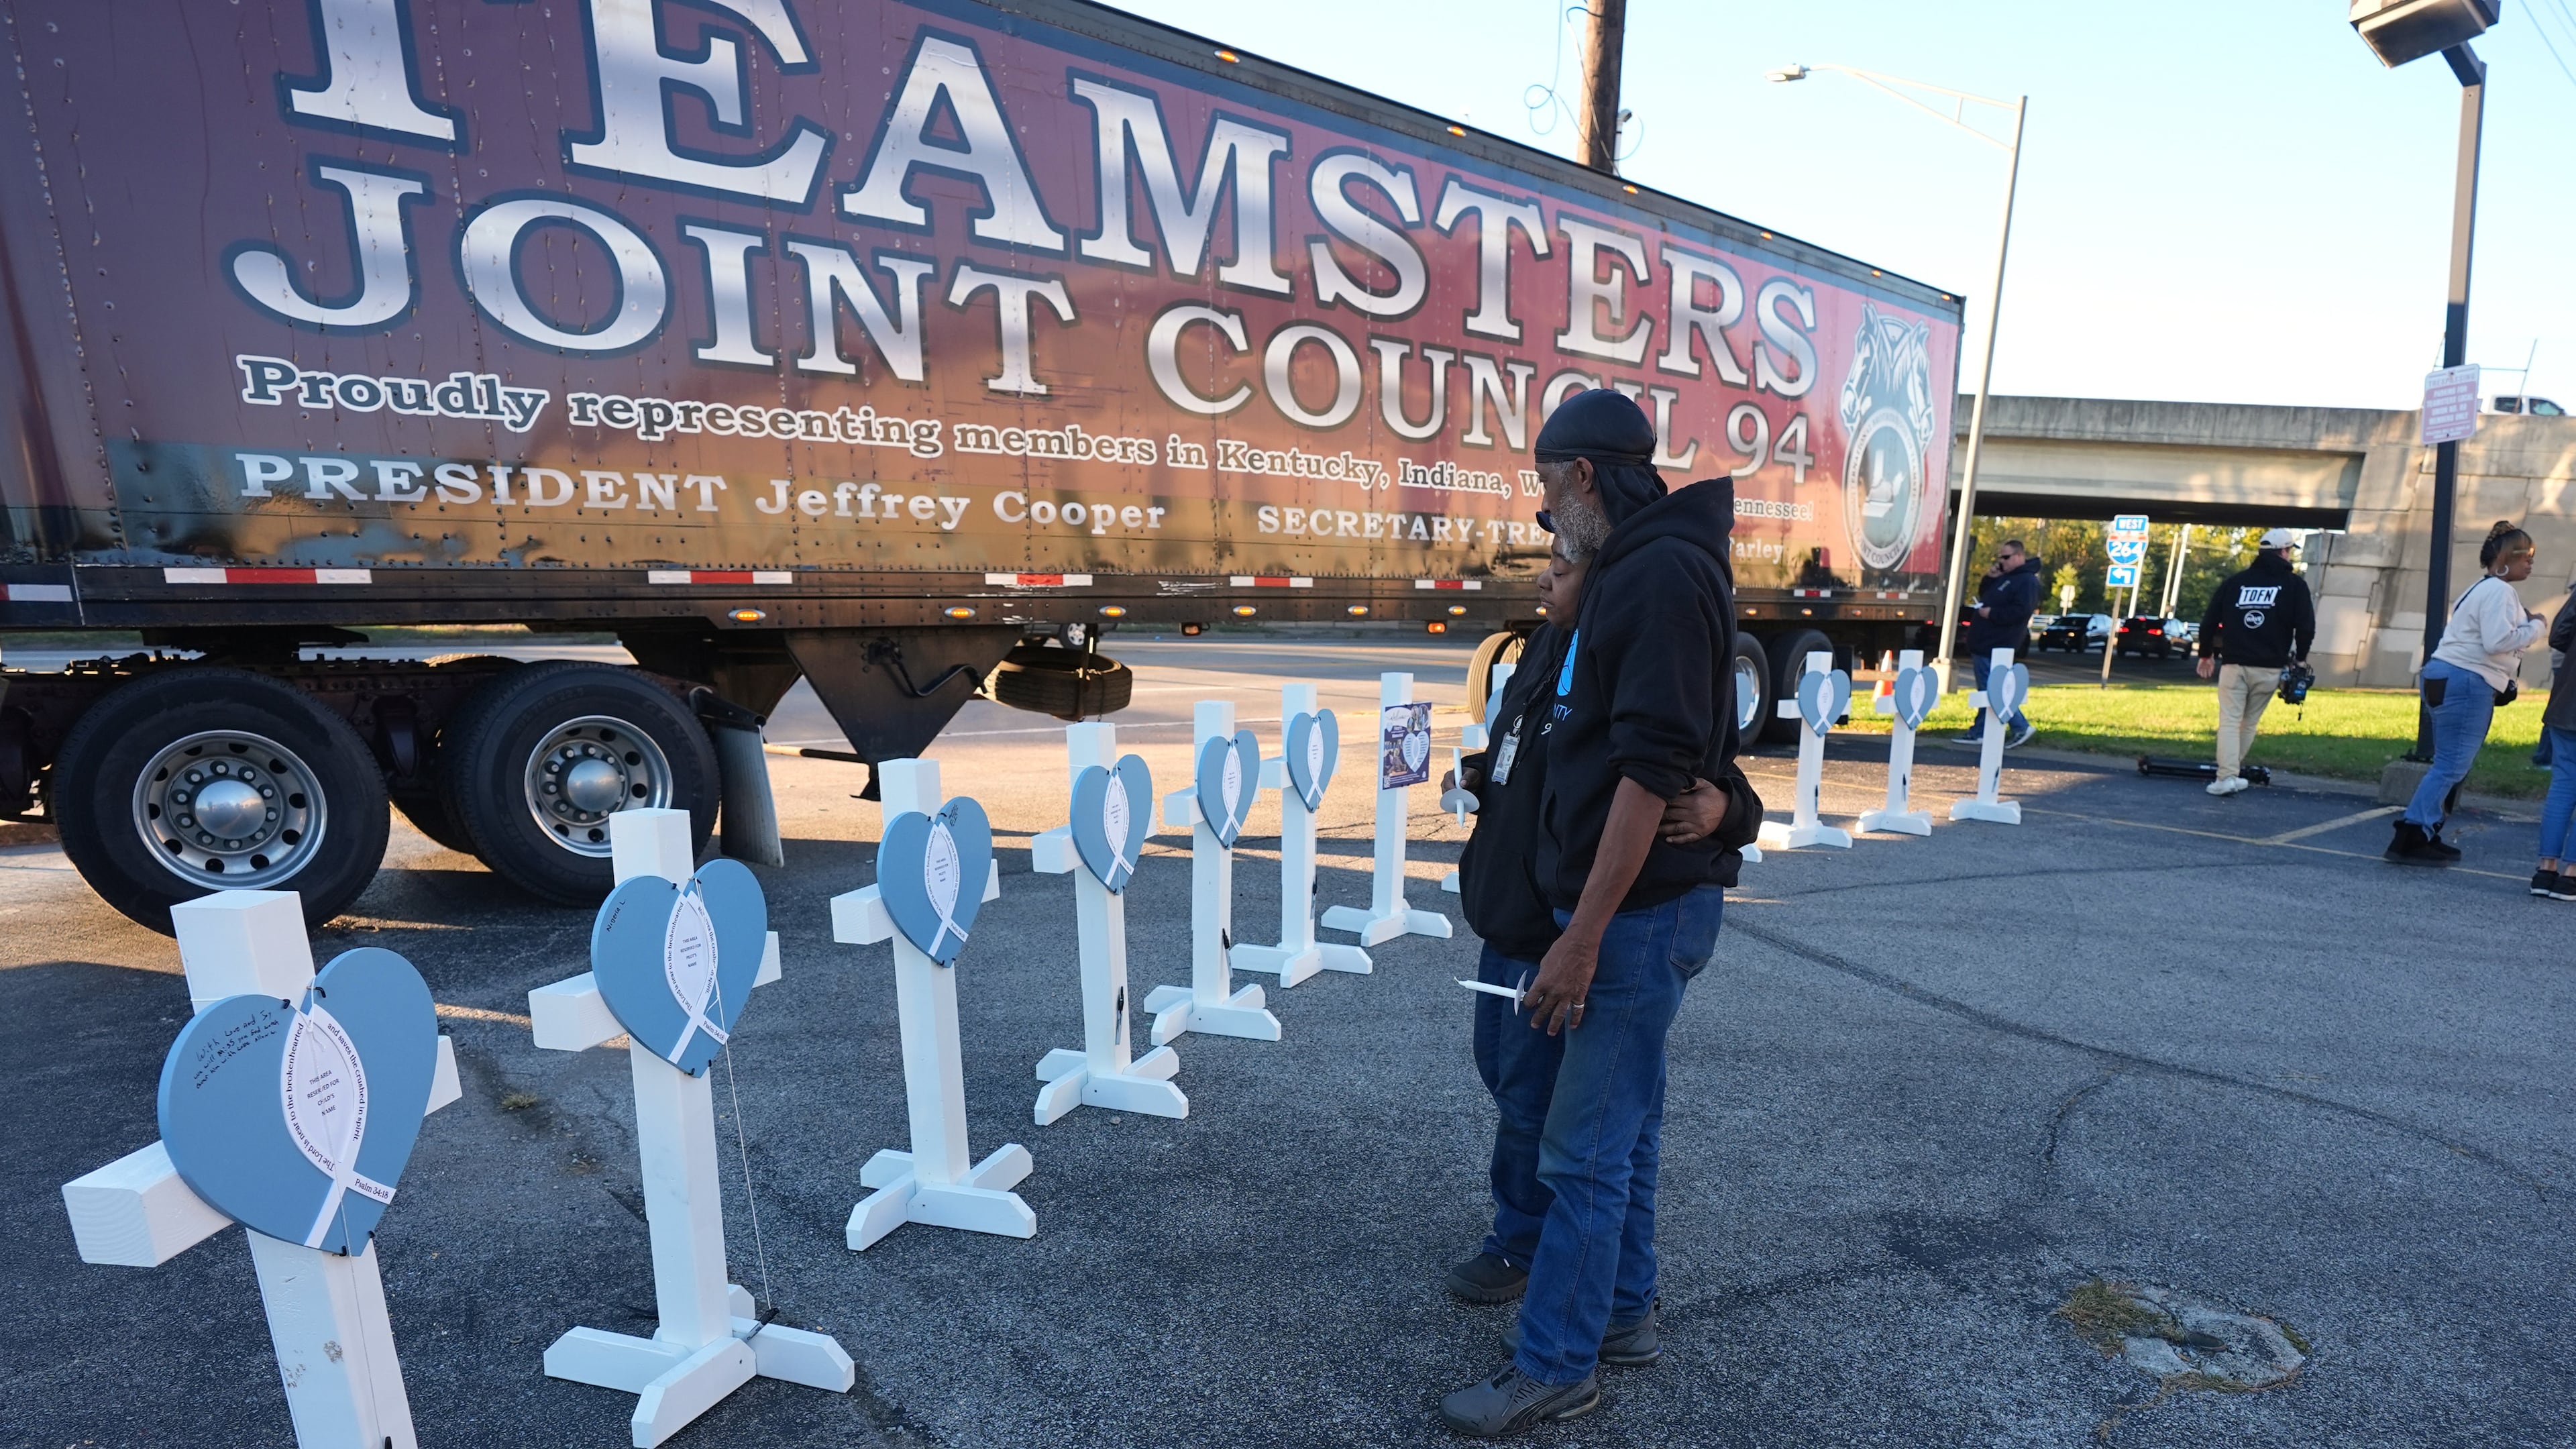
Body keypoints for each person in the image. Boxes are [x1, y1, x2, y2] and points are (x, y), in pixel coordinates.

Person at [1441, 389, 1742, 1438]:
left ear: (1580, 476)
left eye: (1542, 482)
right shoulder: (1635, 572)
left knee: (1582, 1152)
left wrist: (1581, 936)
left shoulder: (1655, 573)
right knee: (1624, 1134)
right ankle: (1622, 1315)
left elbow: (1652, 771)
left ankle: (1557, 1365)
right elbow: (1679, 753)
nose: (1540, 511)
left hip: (1631, 919)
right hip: (1628, 911)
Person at [2388, 521, 2547, 865]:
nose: (2531, 563)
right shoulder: (2501, 592)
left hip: (2443, 676)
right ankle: (2412, 836)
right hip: (2466, 680)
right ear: (2506, 558)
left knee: (2448, 764)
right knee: (2450, 766)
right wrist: (2536, 627)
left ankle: (2424, 831)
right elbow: (2497, 642)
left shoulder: (2478, 588)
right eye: (2526, 556)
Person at [2194, 527, 2316, 796]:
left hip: (2234, 665)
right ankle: (2230, 774)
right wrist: (2301, 660)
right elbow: (2306, 627)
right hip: (2270, 668)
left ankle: (2226, 776)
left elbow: (2209, 621)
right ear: (2284, 552)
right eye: (2289, 551)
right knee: (2248, 723)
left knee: (2229, 720)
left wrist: (2206, 654)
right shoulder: (2295, 586)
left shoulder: (2235, 583)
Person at [1951, 538, 2041, 748]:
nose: (2003, 561)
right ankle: (1982, 731)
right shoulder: (2007, 577)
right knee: (1989, 689)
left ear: (2019, 556)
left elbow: (2021, 611)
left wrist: (1992, 613)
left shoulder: (2026, 581)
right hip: (1986, 642)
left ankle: (2019, 726)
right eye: (2001, 557)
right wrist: (1990, 578)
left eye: (2006, 557)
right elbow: (1988, 596)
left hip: (1998, 643)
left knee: (1993, 689)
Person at [2531, 586, 2576, 897]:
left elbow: (2559, 633)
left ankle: (2546, 870)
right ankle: (2572, 873)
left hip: (2567, 699)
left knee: (2562, 786)